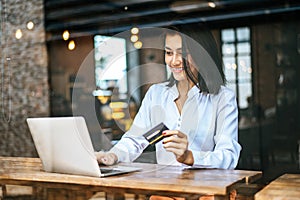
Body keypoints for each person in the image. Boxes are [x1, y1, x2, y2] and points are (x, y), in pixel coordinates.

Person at [95, 24, 241, 198]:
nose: (174, 61)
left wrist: (190, 157)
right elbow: (134, 140)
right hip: (166, 192)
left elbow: (229, 156)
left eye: (183, 53)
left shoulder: (223, 97)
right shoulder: (156, 94)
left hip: (206, 192)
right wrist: (112, 156)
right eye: (169, 53)